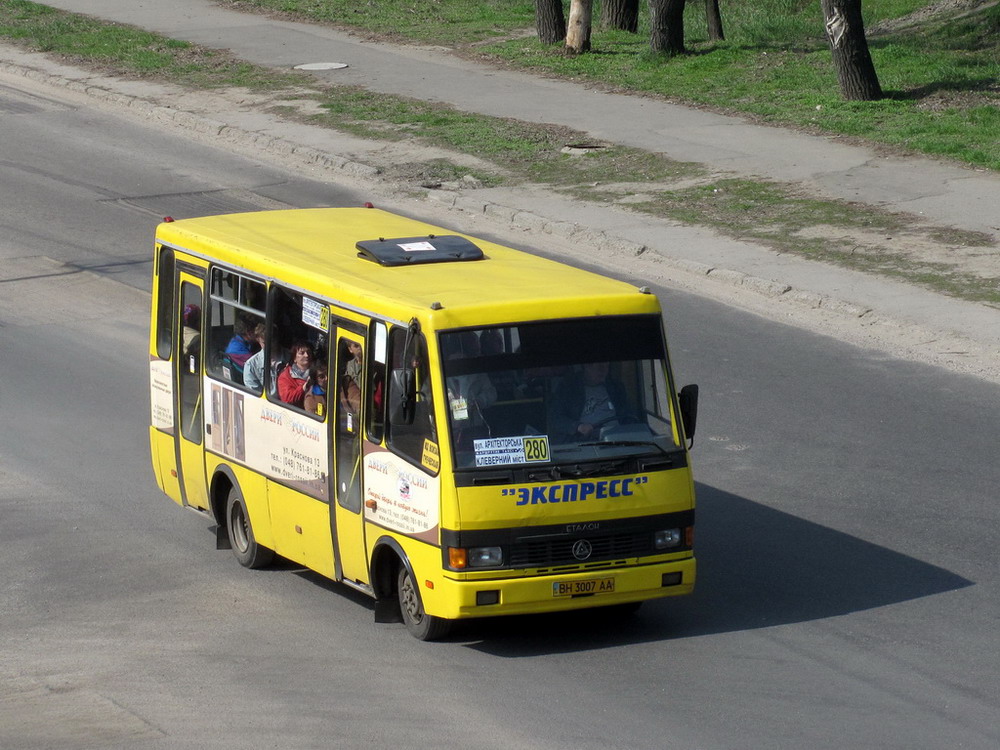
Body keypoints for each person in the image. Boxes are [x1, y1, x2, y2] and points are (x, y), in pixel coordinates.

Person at [550, 361, 630, 440]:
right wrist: (578, 427)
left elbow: (627, 415)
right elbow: (556, 419)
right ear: (587, 366)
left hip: (616, 438)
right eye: (600, 367)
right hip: (585, 442)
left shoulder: (616, 387)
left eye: (606, 367)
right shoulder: (568, 387)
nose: (604, 371)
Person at [277, 341, 314, 407]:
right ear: (294, 358)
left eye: (308, 352)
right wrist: (303, 388)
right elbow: (287, 399)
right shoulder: (286, 376)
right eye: (302, 353)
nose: (307, 355)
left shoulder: (317, 372)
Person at [242, 323, 269, 393]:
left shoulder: (289, 357)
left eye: (273, 341)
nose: (270, 346)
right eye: (265, 343)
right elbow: (254, 394)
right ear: (258, 340)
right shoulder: (251, 365)